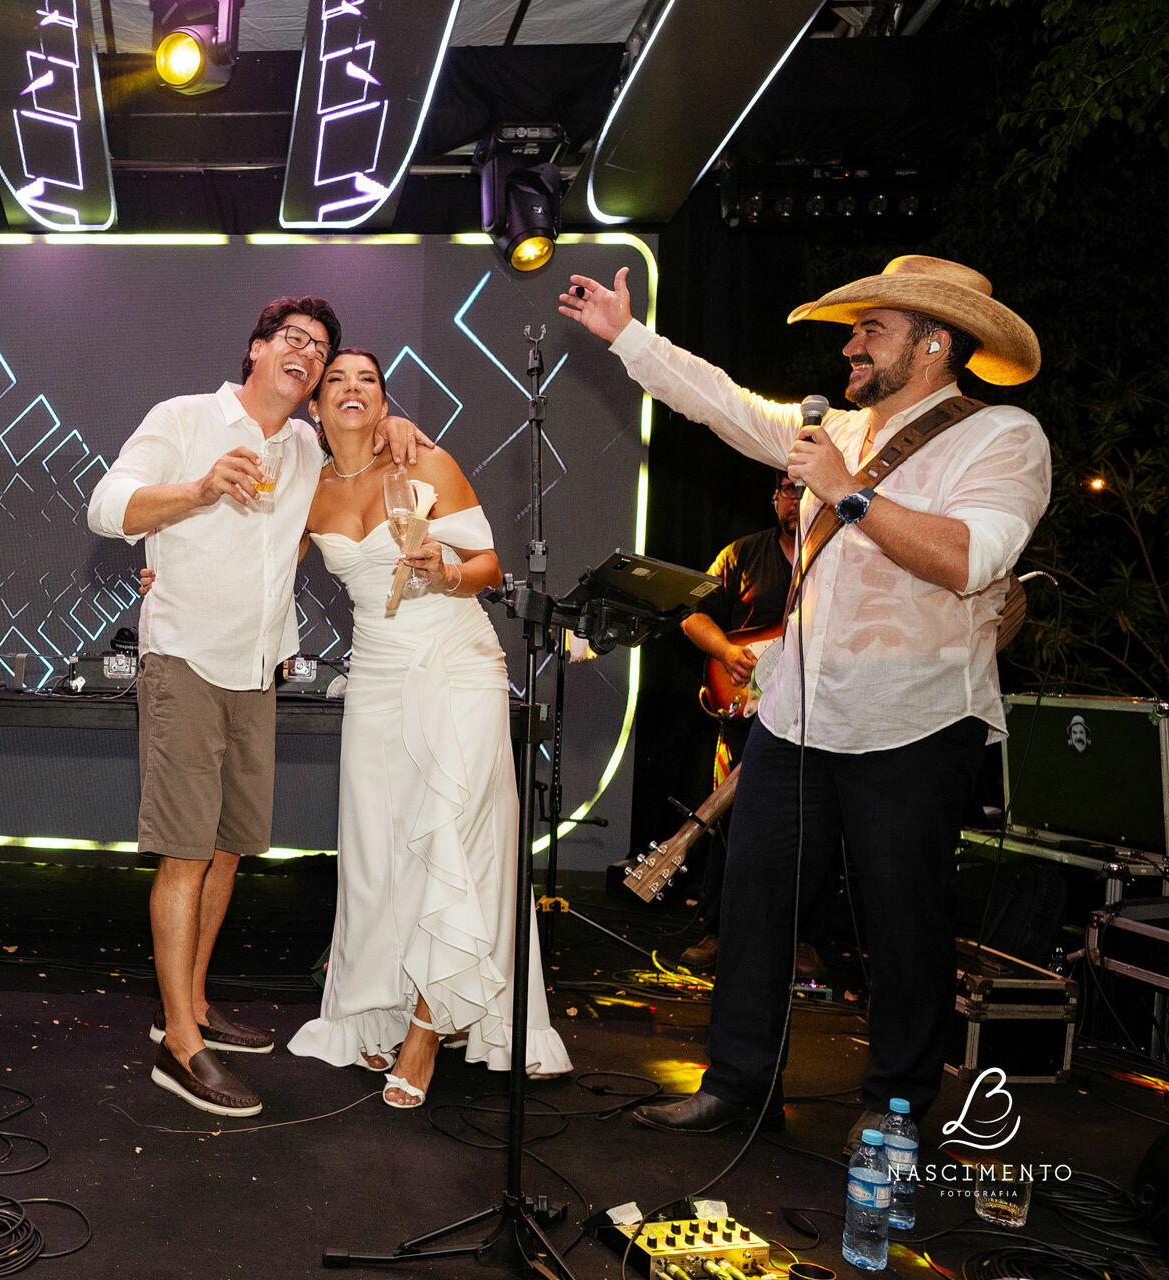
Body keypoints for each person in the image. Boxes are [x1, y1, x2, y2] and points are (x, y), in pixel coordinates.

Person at [559, 256, 1049, 1137]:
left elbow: (972, 560)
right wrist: (626, 336)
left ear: (934, 345)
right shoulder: (841, 431)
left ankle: (896, 1105)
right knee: (753, 906)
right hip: (798, 716)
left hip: (917, 721)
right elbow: (725, 403)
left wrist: (847, 493)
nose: (851, 346)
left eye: (873, 330)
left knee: (905, 926)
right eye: (855, 330)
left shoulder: (1002, 437)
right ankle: (738, 1087)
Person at [86, 297, 426, 1117]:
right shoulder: (185, 417)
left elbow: (361, 442)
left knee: (231, 847)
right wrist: (199, 490)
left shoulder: (306, 446)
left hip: (257, 668)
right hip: (186, 661)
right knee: (183, 852)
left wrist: (403, 426)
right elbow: (105, 508)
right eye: (295, 341)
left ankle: (195, 1003)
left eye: (320, 349)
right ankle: (179, 1043)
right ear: (257, 349)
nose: (307, 355)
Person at [286, 349, 571, 1106]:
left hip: (455, 660)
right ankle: (378, 1009)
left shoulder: (427, 464)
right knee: (382, 848)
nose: (351, 389)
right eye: (335, 381)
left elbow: (487, 567)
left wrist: (443, 568)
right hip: (377, 673)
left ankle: (426, 1028)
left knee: (455, 830)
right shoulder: (306, 491)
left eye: (367, 382)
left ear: (384, 402)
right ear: (314, 407)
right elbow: (259, 562)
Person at [675, 471, 825, 982]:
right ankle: (718, 929)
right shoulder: (739, 554)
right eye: (789, 489)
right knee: (731, 825)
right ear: (775, 498)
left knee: (814, 828)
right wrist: (727, 653)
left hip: (820, 716)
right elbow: (692, 616)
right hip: (746, 712)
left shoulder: (840, 555)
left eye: (807, 490)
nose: (797, 499)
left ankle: (801, 939)